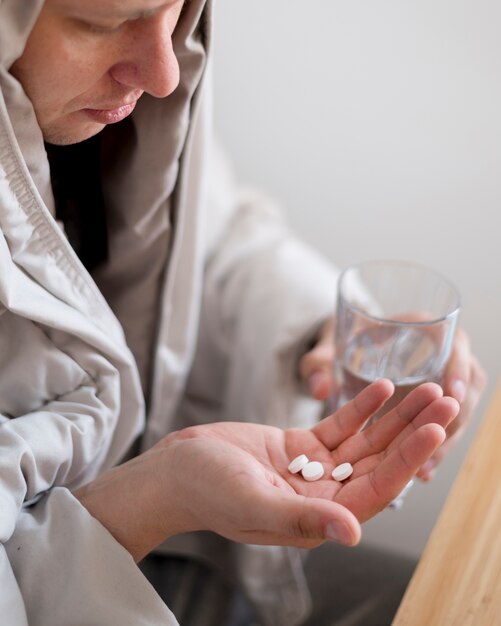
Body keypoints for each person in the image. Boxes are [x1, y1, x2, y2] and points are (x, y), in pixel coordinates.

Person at [0, 1, 486, 625]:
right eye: (99, 23)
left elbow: (208, 235)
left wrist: (327, 330)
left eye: (177, 12)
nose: (163, 72)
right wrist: (151, 500)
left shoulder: (119, 92)